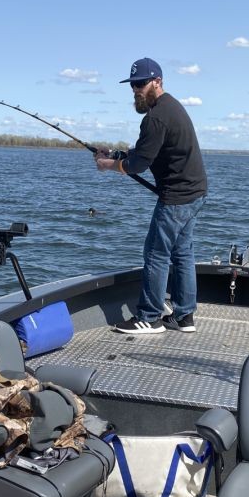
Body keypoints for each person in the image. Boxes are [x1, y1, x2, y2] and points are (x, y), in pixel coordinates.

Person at [95, 57, 208, 335]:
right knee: (182, 253)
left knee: (155, 254)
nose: (136, 89)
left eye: (141, 83)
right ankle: (184, 316)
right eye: (133, 84)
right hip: (195, 193)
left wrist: (108, 165)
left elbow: (138, 165)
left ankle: (149, 317)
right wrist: (117, 154)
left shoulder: (156, 118)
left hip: (177, 198)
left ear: (157, 82)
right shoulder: (170, 108)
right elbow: (146, 152)